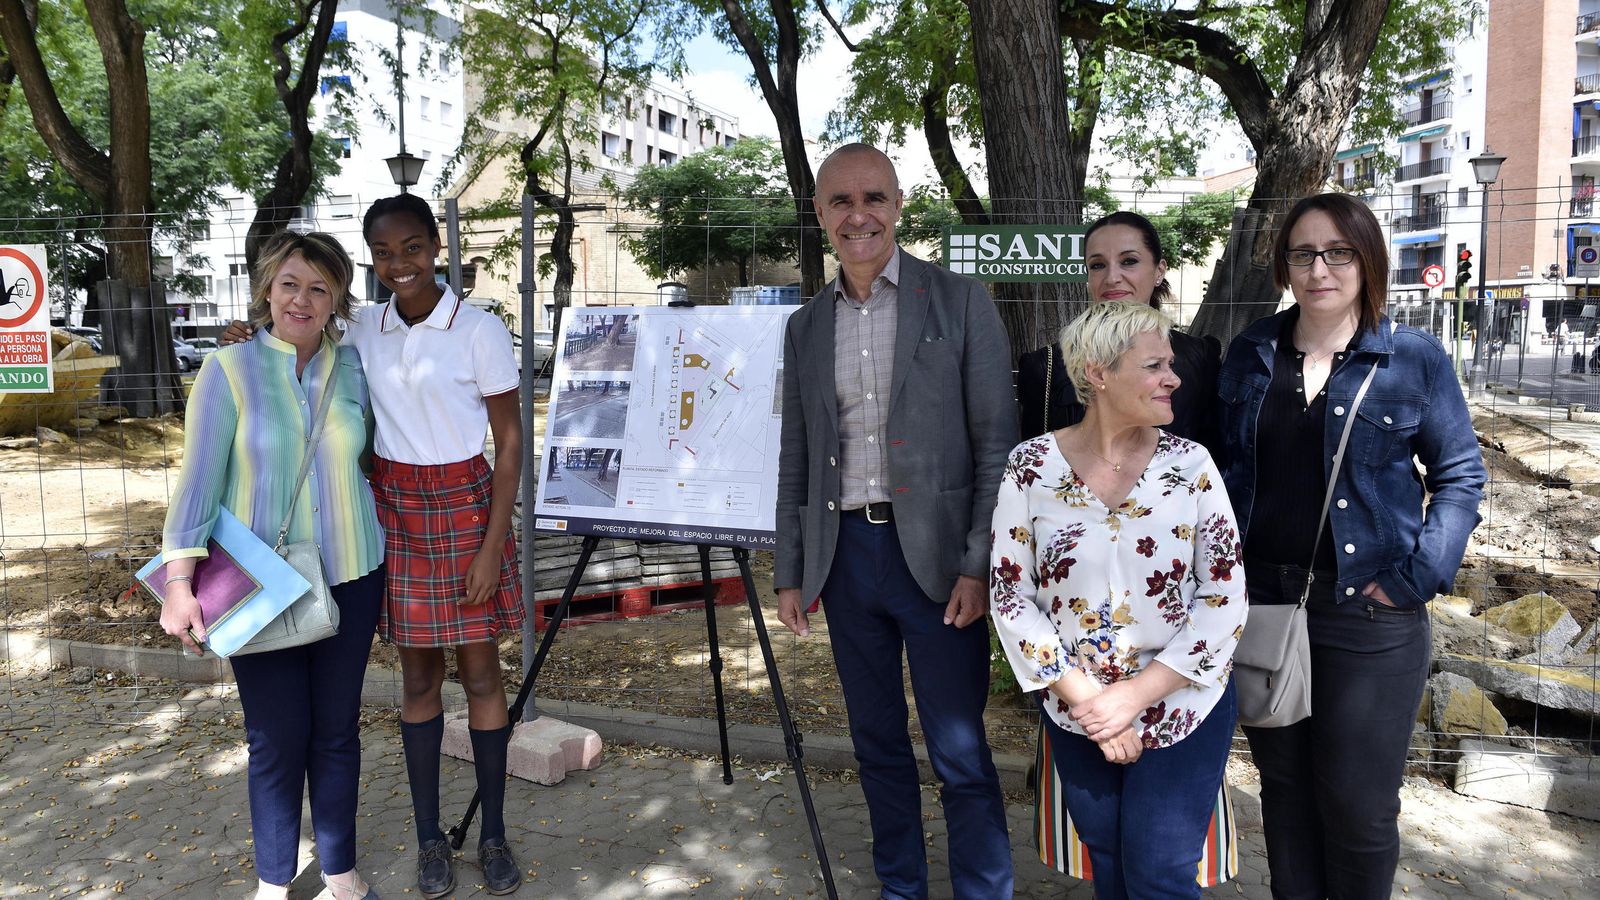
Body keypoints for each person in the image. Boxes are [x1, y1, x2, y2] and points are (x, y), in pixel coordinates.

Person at [222, 195, 525, 898]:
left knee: (482, 676)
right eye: (383, 253)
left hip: (466, 508)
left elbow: (510, 443)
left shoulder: (479, 328)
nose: (399, 264)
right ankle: (429, 840)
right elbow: (296, 335)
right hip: (396, 511)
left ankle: (494, 834)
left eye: (412, 247)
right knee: (418, 682)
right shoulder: (362, 327)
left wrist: (491, 545)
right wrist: (247, 334)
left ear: (437, 246)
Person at [1215, 192, 1486, 899]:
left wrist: (1416, 577)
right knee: (1286, 793)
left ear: (1367, 261)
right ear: (1284, 265)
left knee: (1358, 806)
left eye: (1338, 252)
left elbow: (1460, 474)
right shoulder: (1251, 353)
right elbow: (1220, 470)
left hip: (1369, 615)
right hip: (1265, 603)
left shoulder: (1411, 358)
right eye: (1303, 253)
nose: (1319, 269)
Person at [774, 142, 1016, 898]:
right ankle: (900, 887)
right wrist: (789, 572)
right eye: (840, 202)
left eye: (873, 197)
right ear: (820, 214)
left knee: (959, 751)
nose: (859, 215)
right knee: (876, 744)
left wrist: (978, 562)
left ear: (899, 205)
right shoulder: (805, 326)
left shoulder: (960, 301)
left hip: (940, 564)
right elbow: (796, 456)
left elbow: (997, 448)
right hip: (847, 560)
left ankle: (983, 890)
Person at [990, 300, 1246, 899]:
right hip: (1079, 707)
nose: (1173, 378)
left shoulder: (1191, 465)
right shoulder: (1031, 466)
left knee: (1160, 871)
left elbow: (1225, 593)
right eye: (1155, 365)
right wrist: (1091, 703)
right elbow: (1012, 595)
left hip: (1183, 702)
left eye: (1170, 365)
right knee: (1109, 862)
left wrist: (1131, 697)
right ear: (1098, 373)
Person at [160, 232, 385, 900]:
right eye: (290, 284)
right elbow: (198, 481)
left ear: (337, 299)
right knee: (275, 737)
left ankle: (340, 871)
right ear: (266, 289)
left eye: (319, 287)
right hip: (262, 584)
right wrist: (179, 583)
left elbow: (373, 458)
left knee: (337, 731)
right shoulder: (227, 369)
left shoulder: (355, 368)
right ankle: (273, 881)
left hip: (353, 570)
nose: (302, 300)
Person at [1016, 211, 1220, 447]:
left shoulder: (1201, 359)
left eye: (1129, 261)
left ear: (1159, 271)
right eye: (1098, 265)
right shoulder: (1045, 366)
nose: (1112, 278)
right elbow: (1038, 458)